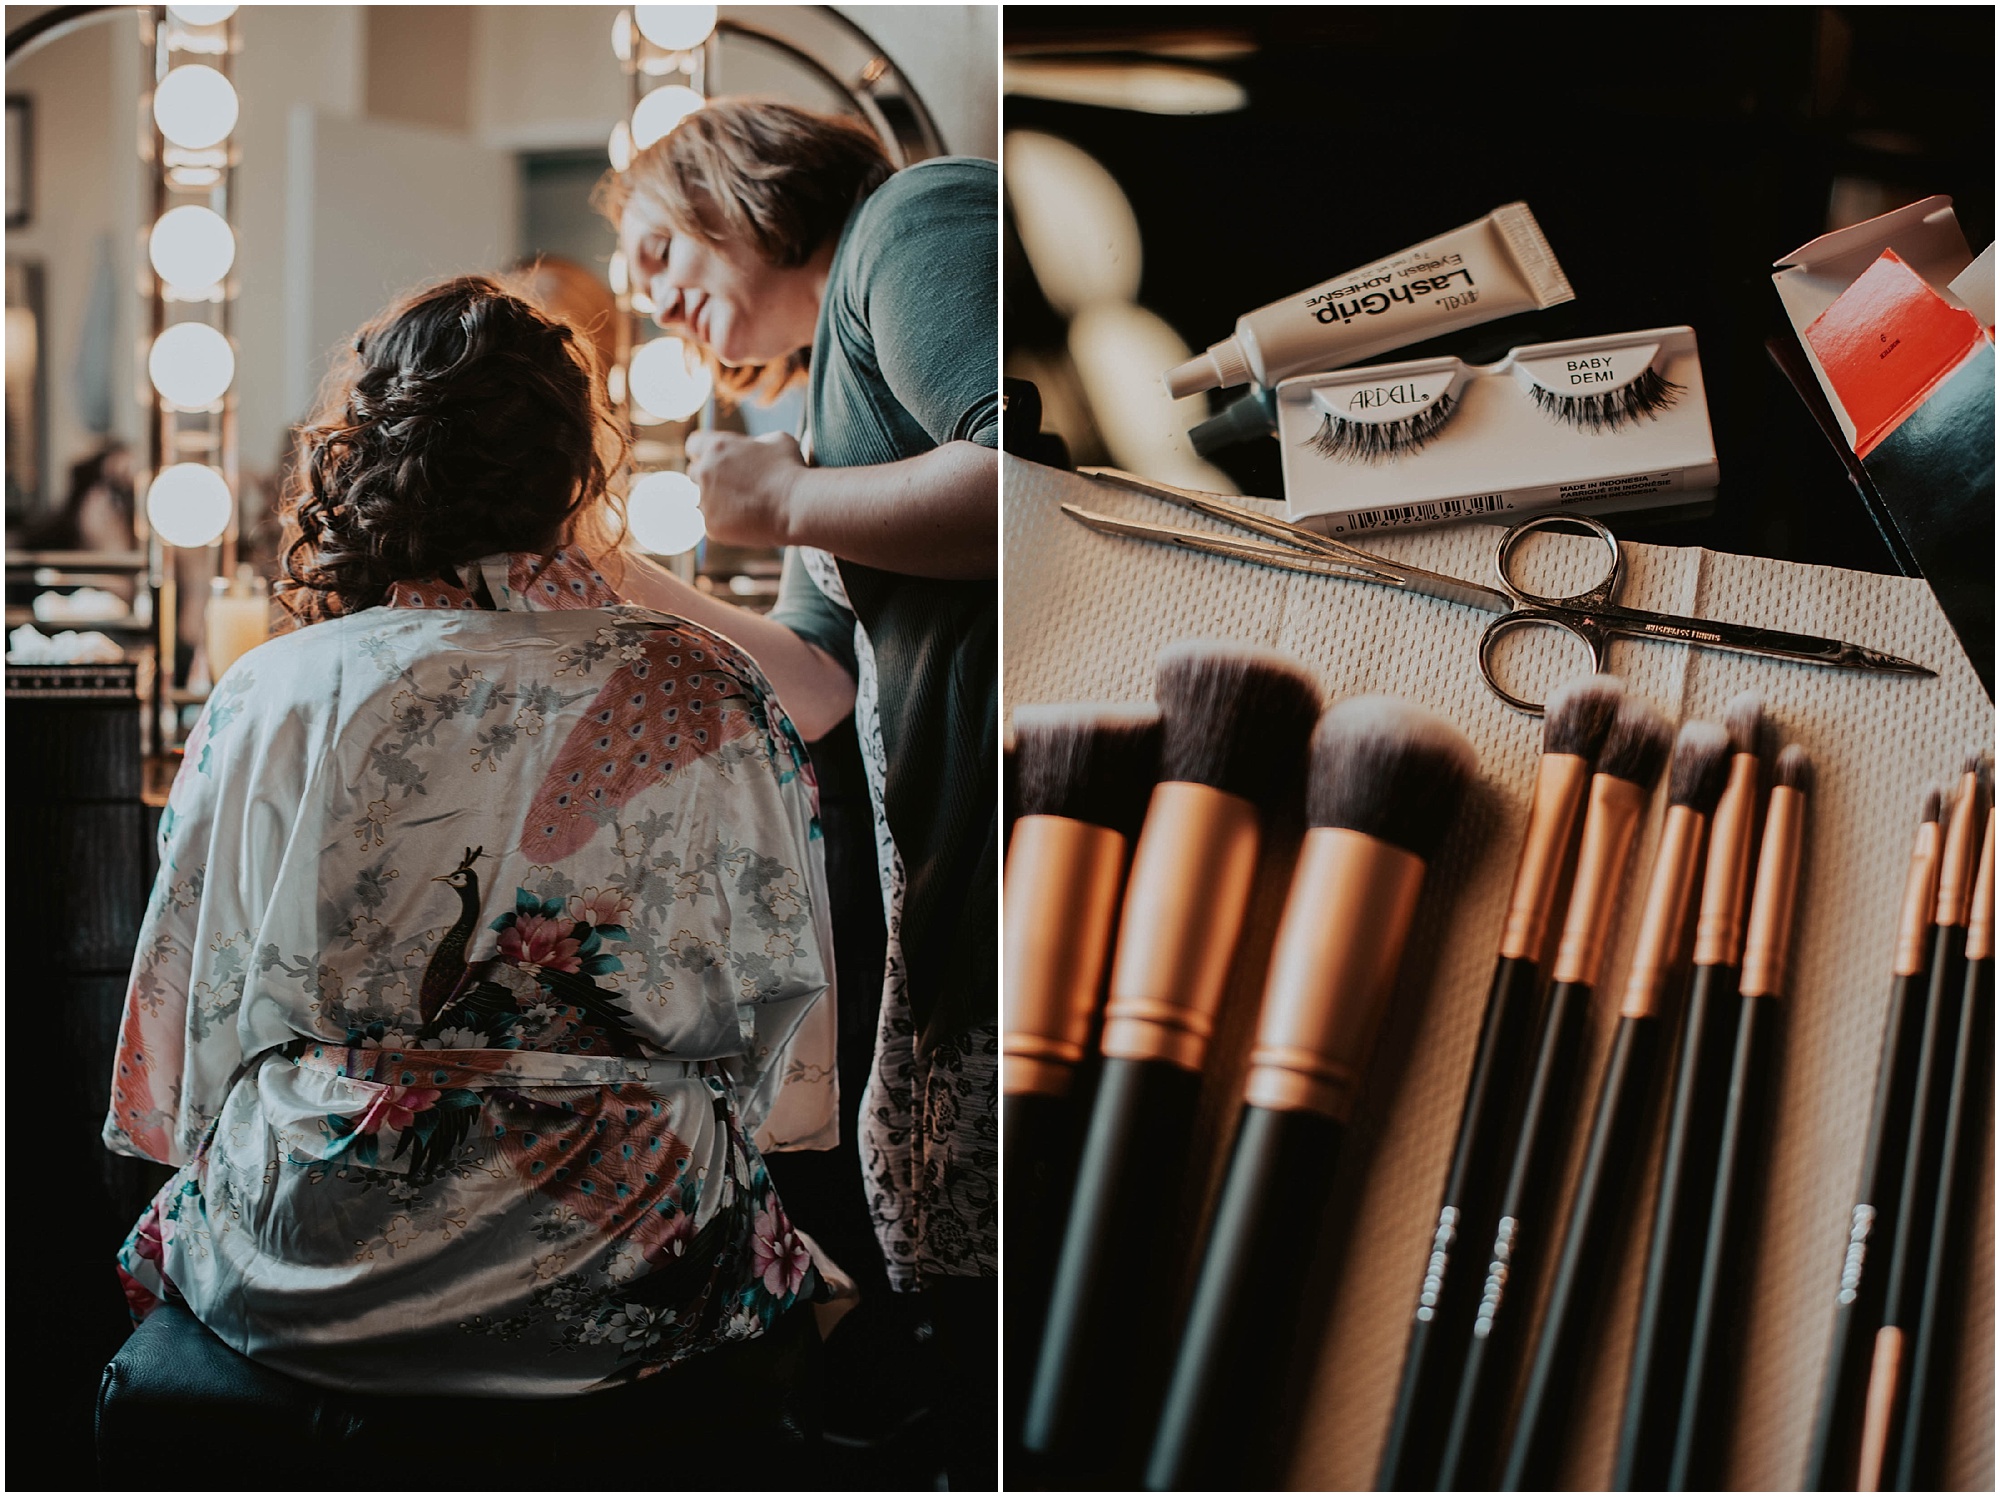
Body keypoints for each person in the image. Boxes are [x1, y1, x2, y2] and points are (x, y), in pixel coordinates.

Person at [103, 275, 860, 1398]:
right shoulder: (711, 688)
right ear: (573, 471)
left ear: (366, 464)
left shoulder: (272, 692)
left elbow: (185, 1050)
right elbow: (776, 1056)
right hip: (634, 1259)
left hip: (308, 1266)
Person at [603, 98, 997, 1473]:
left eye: (654, 255)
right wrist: (618, 572)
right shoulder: (830, 399)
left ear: (733, 182)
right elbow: (817, 685)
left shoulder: (919, 218)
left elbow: (1024, 488)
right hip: (935, 844)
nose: (659, 309)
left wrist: (783, 507)